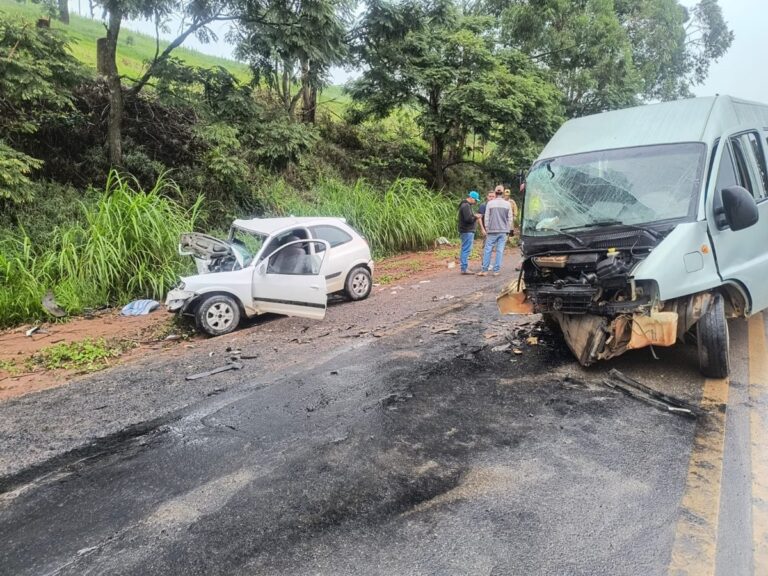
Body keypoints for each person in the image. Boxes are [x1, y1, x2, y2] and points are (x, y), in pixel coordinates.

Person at [477, 188, 512, 276]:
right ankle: (496, 271)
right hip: (503, 231)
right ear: (503, 194)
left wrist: (487, 228)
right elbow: (510, 218)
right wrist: (507, 229)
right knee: (499, 250)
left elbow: (487, 217)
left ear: (495, 194)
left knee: (488, 250)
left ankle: (484, 270)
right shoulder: (507, 204)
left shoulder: (490, 203)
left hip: (492, 230)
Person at [457, 190, 480, 274]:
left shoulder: (465, 205)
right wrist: (475, 217)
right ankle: (464, 268)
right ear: (471, 198)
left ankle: (464, 267)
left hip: (465, 230)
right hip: (467, 230)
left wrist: (473, 216)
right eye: (475, 200)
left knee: (465, 249)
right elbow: (468, 219)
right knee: (466, 249)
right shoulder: (466, 206)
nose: (475, 202)